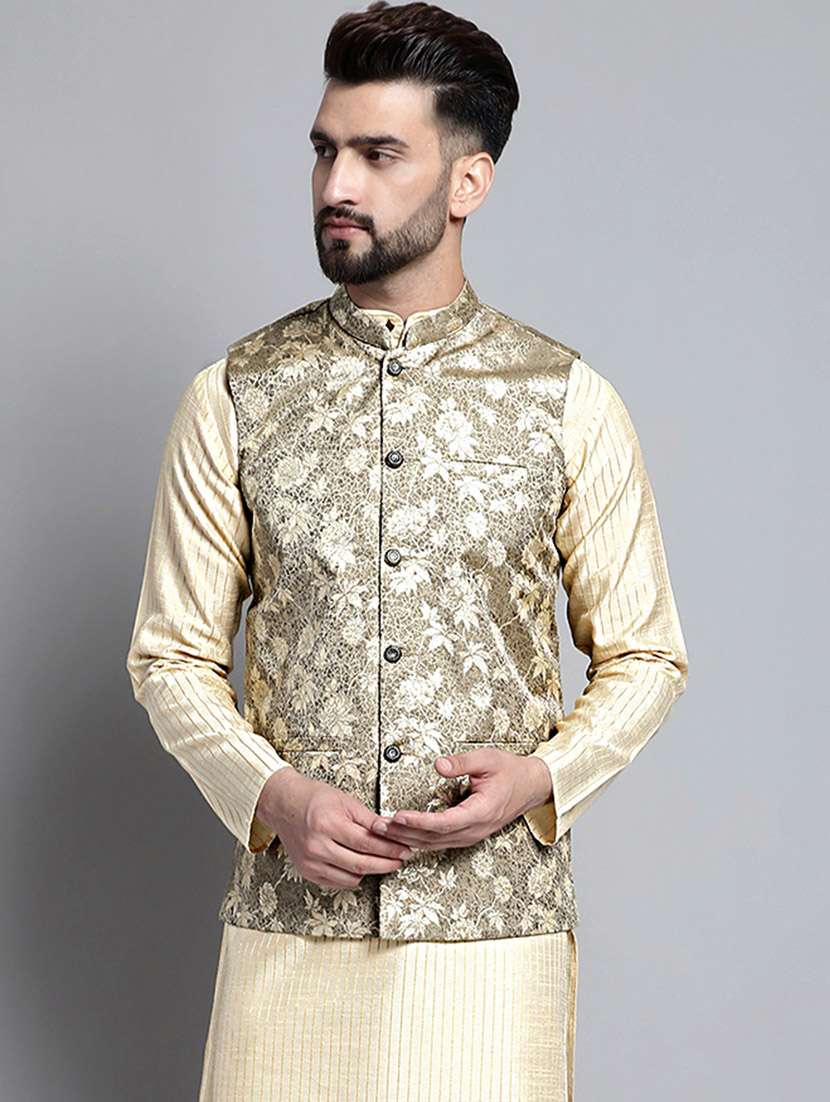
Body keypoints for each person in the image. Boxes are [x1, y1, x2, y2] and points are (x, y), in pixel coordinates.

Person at [126, 3, 689, 1099]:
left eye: (379, 155)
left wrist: (542, 778)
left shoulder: (565, 402)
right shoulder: (235, 396)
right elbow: (170, 656)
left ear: (467, 182)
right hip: (290, 933)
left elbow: (646, 655)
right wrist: (274, 797)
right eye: (325, 150)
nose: (337, 184)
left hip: (494, 941)